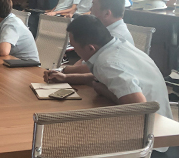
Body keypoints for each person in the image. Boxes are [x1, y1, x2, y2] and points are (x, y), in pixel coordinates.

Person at [44, 15, 172, 122]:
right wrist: (66, 78)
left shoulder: (108, 63)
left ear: (90, 48)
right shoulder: (116, 45)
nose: (75, 52)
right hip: (157, 121)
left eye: (74, 47)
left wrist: (103, 90)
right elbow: (99, 79)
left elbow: (140, 108)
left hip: (152, 130)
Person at [61, 0, 134, 75]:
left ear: (107, 13)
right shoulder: (102, 30)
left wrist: (65, 71)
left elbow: (94, 68)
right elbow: (86, 59)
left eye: (93, 5)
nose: (90, 9)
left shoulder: (117, 38)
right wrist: (66, 72)